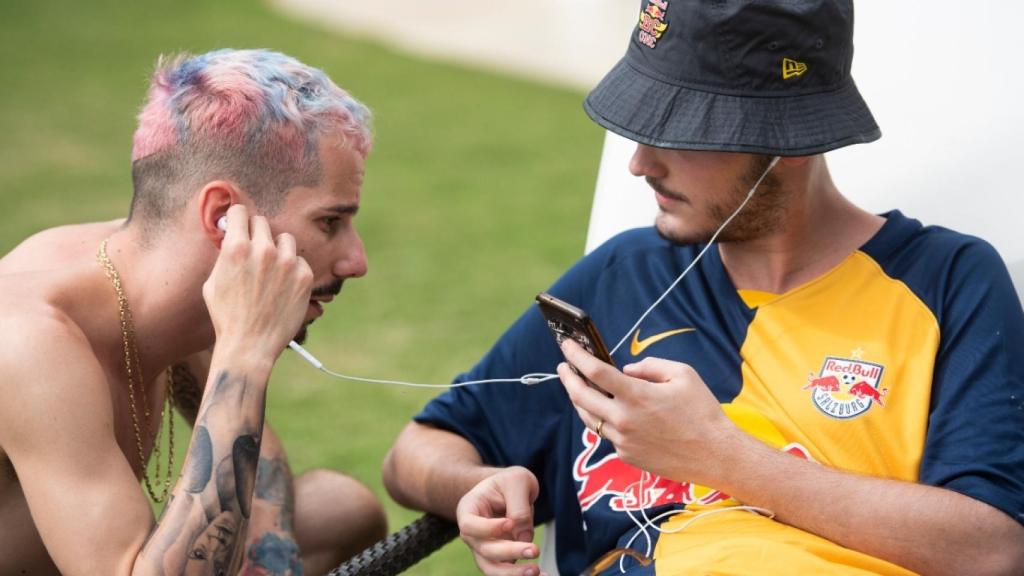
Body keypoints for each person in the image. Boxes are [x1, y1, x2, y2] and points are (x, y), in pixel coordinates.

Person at [382, 1, 1024, 575]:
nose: (639, 161)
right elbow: (416, 452)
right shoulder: (622, 274)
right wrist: (480, 486)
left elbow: (991, 550)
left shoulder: (944, 282)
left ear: (789, 139)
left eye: (679, 130)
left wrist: (719, 457)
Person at [0, 49, 387, 575]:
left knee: (341, 510)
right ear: (225, 218)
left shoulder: (157, 269)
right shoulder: (29, 342)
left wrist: (275, 563)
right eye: (329, 222)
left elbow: (262, 475)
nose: (356, 261)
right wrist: (244, 356)